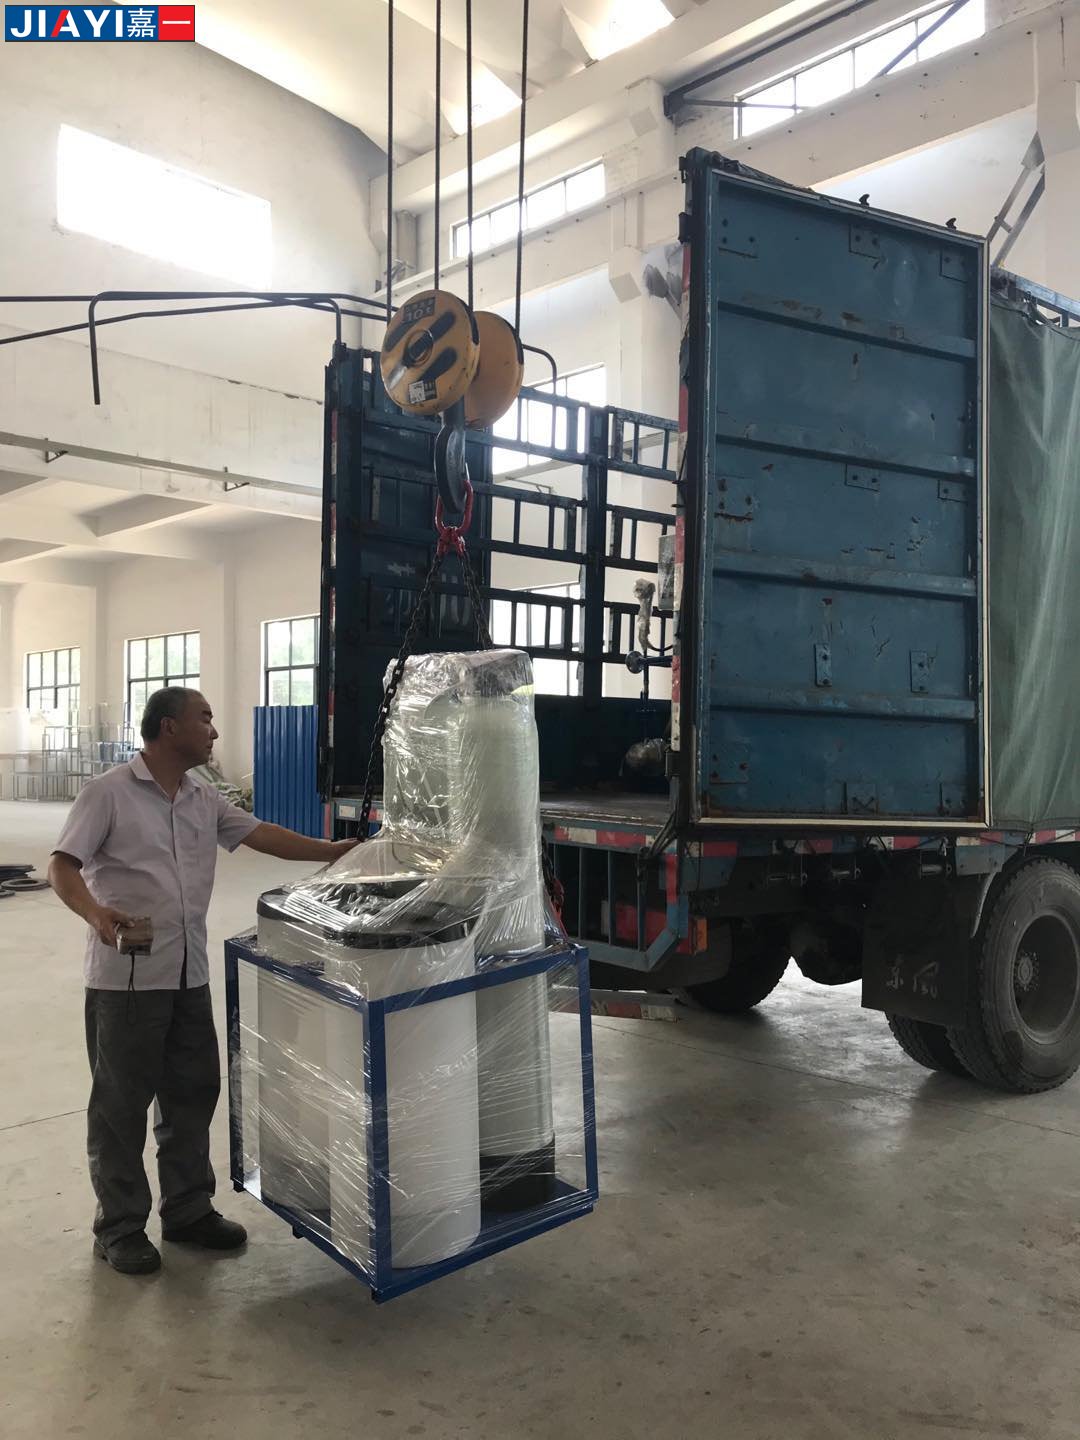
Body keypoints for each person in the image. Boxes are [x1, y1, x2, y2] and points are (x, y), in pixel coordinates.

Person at [49, 686, 355, 1276]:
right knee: (120, 1106)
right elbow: (62, 865)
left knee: (191, 1095)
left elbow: (262, 834)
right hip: (127, 980)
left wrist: (333, 850)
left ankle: (187, 1210)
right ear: (169, 727)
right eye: (205, 719)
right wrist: (95, 913)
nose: (214, 731)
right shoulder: (107, 793)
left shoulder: (201, 797)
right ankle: (119, 1228)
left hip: (188, 973)